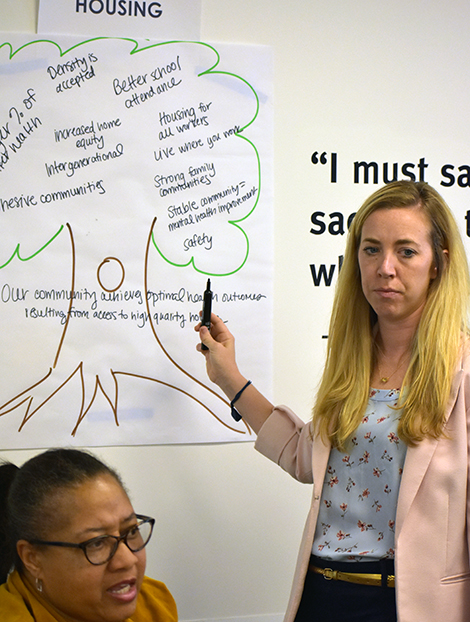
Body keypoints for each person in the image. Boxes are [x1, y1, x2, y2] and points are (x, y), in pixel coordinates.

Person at [195, 180, 470, 622]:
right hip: (322, 596)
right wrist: (230, 378)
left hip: (408, 606)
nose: (385, 268)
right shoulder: (352, 361)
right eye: (371, 249)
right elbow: (305, 458)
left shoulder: (463, 371)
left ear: (439, 263)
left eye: (406, 251)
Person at [0, 447, 178, 622]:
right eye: (96, 543)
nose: (128, 560)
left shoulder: (153, 605)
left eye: (131, 531)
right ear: (33, 558)